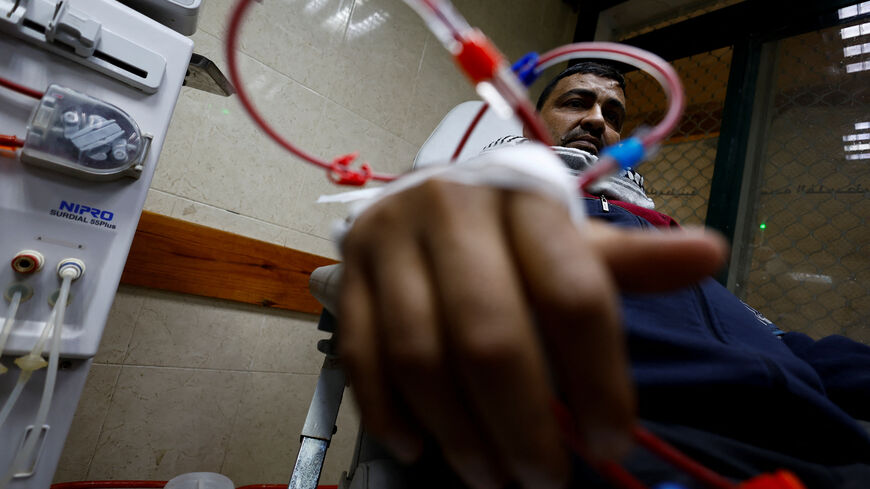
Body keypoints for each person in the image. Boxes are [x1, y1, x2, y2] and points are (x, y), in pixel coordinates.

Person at [335, 62, 870, 489]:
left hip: (824, 439)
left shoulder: (657, 228)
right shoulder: (493, 196)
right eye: (576, 102)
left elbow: (773, 338)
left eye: (613, 114)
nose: (598, 121)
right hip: (648, 441)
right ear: (528, 122)